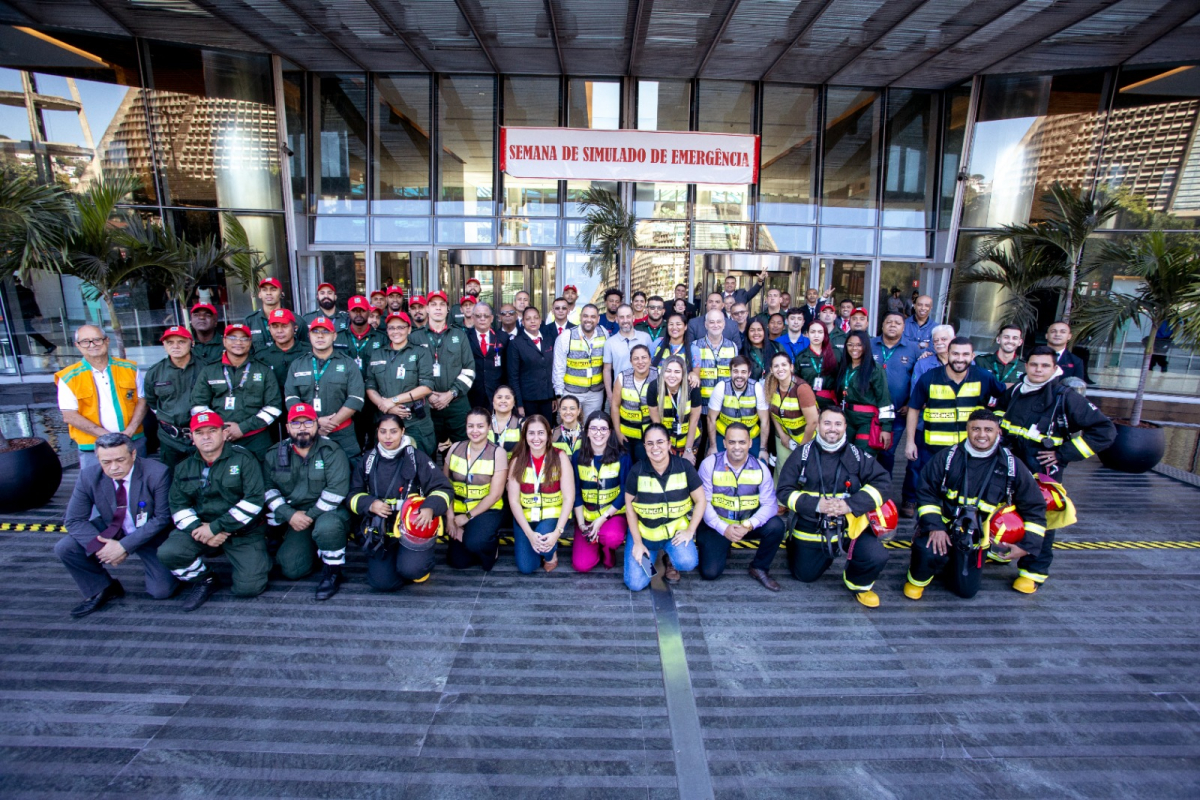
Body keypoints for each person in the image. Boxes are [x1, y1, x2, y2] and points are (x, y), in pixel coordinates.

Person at [995, 346, 1115, 593]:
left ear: (1054, 368)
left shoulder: (1065, 397)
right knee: (1004, 509)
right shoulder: (1016, 390)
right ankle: (1003, 550)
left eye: (1044, 366)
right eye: (1034, 364)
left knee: (1042, 518)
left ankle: (1032, 572)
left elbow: (1105, 431)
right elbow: (999, 416)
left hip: (1043, 470)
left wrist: (1062, 454)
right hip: (1010, 464)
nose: (1038, 370)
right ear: (1026, 366)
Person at [903, 410, 1047, 601]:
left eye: (988, 429)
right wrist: (934, 526)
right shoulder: (947, 458)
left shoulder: (1013, 466)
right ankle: (917, 580)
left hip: (980, 536)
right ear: (967, 430)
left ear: (999, 432)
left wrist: (1026, 546)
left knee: (965, 591)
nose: (981, 435)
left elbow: (1035, 508)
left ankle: (954, 563)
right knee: (927, 550)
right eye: (975, 429)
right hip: (944, 528)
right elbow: (925, 492)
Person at [776, 407, 891, 607]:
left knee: (876, 554)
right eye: (827, 423)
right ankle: (798, 548)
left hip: (849, 527)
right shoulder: (802, 455)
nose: (832, 429)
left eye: (838, 424)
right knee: (804, 576)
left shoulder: (857, 455)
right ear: (818, 425)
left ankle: (858, 583)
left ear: (845, 427)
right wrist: (816, 505)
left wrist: (850, 505)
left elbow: (884, 483)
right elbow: (784, 491)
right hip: (812, 527)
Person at [158, 411, 269, 611]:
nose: (206, 436)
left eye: (212, 430)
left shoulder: (244, 459)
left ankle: (259, 559)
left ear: (224, 433)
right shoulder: (184, 467)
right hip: (201, 530)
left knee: (249, 588)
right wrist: (200, 529)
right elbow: (177, 505)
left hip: (242, 531)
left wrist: (217, 528)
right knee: (168, 553)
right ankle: (205, 578)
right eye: (199, 432)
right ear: (192, 437)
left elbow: (254, 501)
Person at [57, 433, 176, 617]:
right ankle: (103, 587)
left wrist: (123, 547)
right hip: (112, 528)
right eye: (106, 462)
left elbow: (162, 518)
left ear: (133, 454)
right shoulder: (88, 476)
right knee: (66, 547)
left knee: (161, 591)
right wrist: (102, 548)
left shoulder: (157, 472)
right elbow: (74, 520)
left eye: (120, 460)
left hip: (149, 533)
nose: (114, 468)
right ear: (98, 459)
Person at [348, 414, 453, 591]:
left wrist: (430, 507)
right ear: (377, 433)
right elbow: (352, 495)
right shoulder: (367, 460)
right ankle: (399, 564)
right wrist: (369, 504)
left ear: (403, 431)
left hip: (412, 527)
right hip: (382, 530)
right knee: (381, 583)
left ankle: (417, 564)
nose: (388, 437)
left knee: (412, 570)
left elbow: (443, 488)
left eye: (393, 432)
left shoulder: (417, 458)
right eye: (383, 432)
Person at [905, 337, 1006, 515]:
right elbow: (913, 409)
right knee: (929, 492)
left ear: (973, 356)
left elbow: (1004, 397)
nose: (960, 358)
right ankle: (927, 529)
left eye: (965, 354)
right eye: (956, 354)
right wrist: (910, 442)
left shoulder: (983, 376)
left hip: (969, 450)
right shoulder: (930, 377)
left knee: (964, 492)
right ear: (948, 354)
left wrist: (997, 426)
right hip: (933, 450)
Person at [263, 403, 352, 601]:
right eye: (296, 423)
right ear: (287, 428)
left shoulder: (331, 451)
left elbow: (336, 493)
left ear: (316, 426)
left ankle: (333, 571)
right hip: (296, 516)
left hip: (329, 513)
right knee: (291, 568)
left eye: (308, 423)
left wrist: (308, 517)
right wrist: (289, 515)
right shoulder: (274, 454)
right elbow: (268, 489)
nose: (302, 428)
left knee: (327, 528)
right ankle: (316, 549)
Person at [696, 422, 787, 590]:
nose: (737, 447)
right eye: (732, 442)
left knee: (776, 526)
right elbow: (704, 503)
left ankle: (759, 567)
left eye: (742, 442)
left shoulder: (761, 468)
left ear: (750, 443)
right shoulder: (708, 464)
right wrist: (724, 529)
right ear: (724, 443)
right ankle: (723, 546)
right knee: (710, 573)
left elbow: (770, 505)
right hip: (717, 525)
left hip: (746, 524)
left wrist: (748, 525)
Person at [624, 423, 705, 590]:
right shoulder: (636, 471)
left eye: (660, 442)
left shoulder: (684, 467)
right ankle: (652, 559)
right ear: (644, 446)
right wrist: (638, 543)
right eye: (650, 443)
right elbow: (630, 510)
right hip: (645, 536)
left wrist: (690, 531)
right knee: (636, 583)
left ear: (669, 444)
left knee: (687, 561)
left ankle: (670, 558)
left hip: (673, 535)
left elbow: (701, 501)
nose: (655, 447)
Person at [56, 324, 148, 470]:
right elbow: (69, 415)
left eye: (97, 340)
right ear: (77, 346)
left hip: (133, 441)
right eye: (85, 341)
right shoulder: (68, 377)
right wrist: (107, 437)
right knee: (98, 489)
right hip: (92, 448)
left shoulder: (129, 368)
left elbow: (142, 401)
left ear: (106, 341)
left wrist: (129, 431)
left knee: (140, 484)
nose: (92, 345)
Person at [190, 323, 282, 459]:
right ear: (224, 340)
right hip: (219, 438)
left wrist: (242, 428)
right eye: (233, 338)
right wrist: (220, 427)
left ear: (250, 342)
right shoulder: (209, 371)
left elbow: (274, 407)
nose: (238, 342)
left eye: (244, 338)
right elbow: (197, 405)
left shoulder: (263, 370)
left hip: (256, 438)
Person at [282, 317, 365, 459]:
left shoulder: (348, 364)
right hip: (307, 434)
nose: (320, 336)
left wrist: (331, 424)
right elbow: (291, 397)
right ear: (309, 336)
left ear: (334, 336)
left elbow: (356, 399)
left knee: (349, 474)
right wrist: (315, 422)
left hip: (342, 434)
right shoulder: (298, 364)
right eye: (315, 332)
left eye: (325, 332)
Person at [507, 415, 575, 574]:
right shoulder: (517, 460)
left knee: (545, 544)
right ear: (524, 436)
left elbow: (568, 498)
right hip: (526, 517)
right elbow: (514, 501)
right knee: (526, 567)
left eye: (541, 433)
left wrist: (557, 533)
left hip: (553, 516)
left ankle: (550, 555)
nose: (536, 438)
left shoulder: (560, 457)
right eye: (531, 433)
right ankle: (537, 548)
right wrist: (529, 534)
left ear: (548, 435)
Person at [444, 407, 509, 573]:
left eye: (480, 426)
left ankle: (489, 547)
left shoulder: (497, 453)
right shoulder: (454, 448)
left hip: (487, 510)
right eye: (470, 426)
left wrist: (466, 518)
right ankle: (470, 540)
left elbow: (495, 495)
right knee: (457, 561)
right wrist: (450, 518)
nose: (475, 431)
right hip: (458, 509)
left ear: (489, 428)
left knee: (475, 543)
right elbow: (445, 486)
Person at [364, 311, 436, 457]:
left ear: (409, 329)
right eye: (391, 328)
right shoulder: (377, 353)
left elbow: (427, 387)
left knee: (420, 464)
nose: (396, 331)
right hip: (386, 423)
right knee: (388, 467)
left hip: (415, 422)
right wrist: (386, 407)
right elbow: (370, 386)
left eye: (401, 327)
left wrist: (393, 401)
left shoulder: (420, 352)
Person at [410, 291, 475, 447]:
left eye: (442, 305)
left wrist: (450, 393)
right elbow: (410, 371)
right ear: (427, 309)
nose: (438, 308)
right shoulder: (414, 337)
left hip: (457, 404)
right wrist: (429, 394)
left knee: (462, 450)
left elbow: (469, 369)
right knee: (427, 451)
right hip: (426, 405)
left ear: (447, 309)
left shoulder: (460, 335)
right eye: (433, 304)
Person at [572, 411, 631, 573]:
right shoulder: (577, 457)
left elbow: (626, 490)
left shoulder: (623, 456)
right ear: (587, 432)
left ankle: (607, 549)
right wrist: (582, 524)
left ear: (610, 432)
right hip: (587, 517)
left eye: (603, 429)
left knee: (612, 537)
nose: (598, 433)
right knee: (581, 565)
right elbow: (575, 492)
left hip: (612, 515)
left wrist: (602, 519)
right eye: (594, 428)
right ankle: (594, 543)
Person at [143, 326, 202, 476]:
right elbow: (152, 402)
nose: (175, 346)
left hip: (203, 436)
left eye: (181, 342)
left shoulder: (206, 368)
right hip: (170, 439)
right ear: (164, 345)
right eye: (170, 342)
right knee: (172, 480)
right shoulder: (154, 372)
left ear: (191, 343)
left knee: (206, 479)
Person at [871, 312, 921, 478]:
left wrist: (911, 403)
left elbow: (918, 380)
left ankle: (884, 492)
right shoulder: (870, 344)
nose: (893, 325)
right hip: (870, 411)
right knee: (867, 452)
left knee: (887, 452)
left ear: (904, 327)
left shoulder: (913, 349)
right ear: (882, 325)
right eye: (889, 322)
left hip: (898, 412)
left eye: (897, 323)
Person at [837, 332, 894, 455]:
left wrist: (886, 428)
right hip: (847, 417)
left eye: (859, 345)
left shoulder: (875, 370)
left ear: (866, 346)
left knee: (862, 457)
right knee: (844, 454)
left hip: (867, 421)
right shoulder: (844, 367)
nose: (854, 348)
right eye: (850, 345)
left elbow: (884, 399)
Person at [766, 351, 819, 483]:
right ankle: (780, 502)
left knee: (804, 472)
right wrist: (782, 435)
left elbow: (812, 422)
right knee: (783, 469)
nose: (780, 369)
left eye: (784, 365)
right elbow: (773, 413)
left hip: (806, 438)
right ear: (771, 370)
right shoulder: (771, 386)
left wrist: (803, 447)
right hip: (784, 435)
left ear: (791, 367)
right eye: (776, 366)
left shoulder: (802, 388)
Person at [553, 304, 608, 421]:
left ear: (598, 319)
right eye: (585, 316)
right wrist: (559, 395)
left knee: (591, 427)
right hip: (571, 393)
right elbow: (558, 368)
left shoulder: (604, 333)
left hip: (595, 394)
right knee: (570, 426)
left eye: (593, 317)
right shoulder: (566, 336)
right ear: (580, 317)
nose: (589, 319)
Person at [708, 355, 769, 457]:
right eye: (735, 371)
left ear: (749, 373)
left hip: (751, 436)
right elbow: (711, 418)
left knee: (760, 463)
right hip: (724, 435)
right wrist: (713, 446)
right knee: (715, 461)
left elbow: (765, 421)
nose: (739, 375)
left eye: (743, 372)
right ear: (730, 372)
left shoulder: (757, 388)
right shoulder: (721, 387)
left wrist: (763, 449)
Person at [648, 355, 703, 464]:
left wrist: (688, 449)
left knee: (687, 468)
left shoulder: (692, 388)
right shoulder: (654, 387)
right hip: (666, 438)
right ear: (663, 372)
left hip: (689, 439)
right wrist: (664, 447)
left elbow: (694, 421)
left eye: (677, 372)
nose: (672, 376)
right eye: (668, 371)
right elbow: (656, 423)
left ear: (683, 374)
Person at [507, 305, 557, 421]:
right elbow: (513, 376)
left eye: (535, 318)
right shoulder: (516, 343)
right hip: (528, 399)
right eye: (528, 319)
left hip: (547, 398)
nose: (533, 321)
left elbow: (552, 369)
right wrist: (519, 404)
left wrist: (554, 396)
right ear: (523, 322)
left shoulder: (549, 339)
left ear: (540, 320)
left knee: (547, 430)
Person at [612, 344, 657, 464]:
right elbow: (615, 406)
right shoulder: (622, 377)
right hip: (626, 433)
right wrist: (618, 432)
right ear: (631, 361)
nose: (640, 362)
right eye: (636, 358)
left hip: (649, 434)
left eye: (644, 357)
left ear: (650, 359)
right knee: (626, 466)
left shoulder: (659, 375)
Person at [690, 309, 740, 406]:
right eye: (711, 322)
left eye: (719, 322)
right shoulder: (695, 345)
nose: (715, 325)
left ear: (724, 324)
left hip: (725, 403)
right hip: (701, 404)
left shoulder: (733, 346)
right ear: (706, 325)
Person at [602, 304, 653, 397]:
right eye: (621, 317)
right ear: (616, 319)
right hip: (620, 392)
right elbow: (607, 370)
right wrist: (610, 394)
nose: (625, 320)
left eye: (628, 316)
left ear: (633, 318)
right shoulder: (609, 342)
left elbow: (652, 364)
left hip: (645, 391)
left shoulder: (645, 337)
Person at [256, 308, 312, 393]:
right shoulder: (261, 356)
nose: (279, 331)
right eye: (275, 327)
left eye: (284, 326)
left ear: (295, 328)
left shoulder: (309, 352)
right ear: (269, 330)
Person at [246, 277, 306, 350]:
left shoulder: (297, 320)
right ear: (259, 294)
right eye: (264, 290)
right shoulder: (250, 321)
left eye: (273, 289)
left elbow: (305, 349)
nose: (268, 293)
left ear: (281, 294)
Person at [467, 302, 507, 411]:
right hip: (473, 392)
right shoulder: (465, 337)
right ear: (473, 318)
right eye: (478, 316)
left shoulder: (502, 337)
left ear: (492, 318)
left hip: (496, 391)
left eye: (486, 316)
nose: (482, 319)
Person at [796, 319, 838, 409]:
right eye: (812, 332)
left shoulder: (835, 354)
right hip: (807, 401)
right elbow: (796, 381)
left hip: (830, 403)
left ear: (825, 334)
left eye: (820, 332)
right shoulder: (801, 356)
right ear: (807, 334)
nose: (816, 335)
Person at [13, 276, 57, 355]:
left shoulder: (13, 293)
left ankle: (48, 345)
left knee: (26, 331)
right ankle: (48, 345)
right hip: (28, 314)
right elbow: (33, 303)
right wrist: (38, 314)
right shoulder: (27, 291)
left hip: (20, 316)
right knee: (28, 331)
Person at [488, 385, 523, 453]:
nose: (503, 400)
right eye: (499, 397)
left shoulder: (523, 424)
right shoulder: (484, 423)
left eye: (507, 398)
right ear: (493, 401)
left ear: (513, 403)